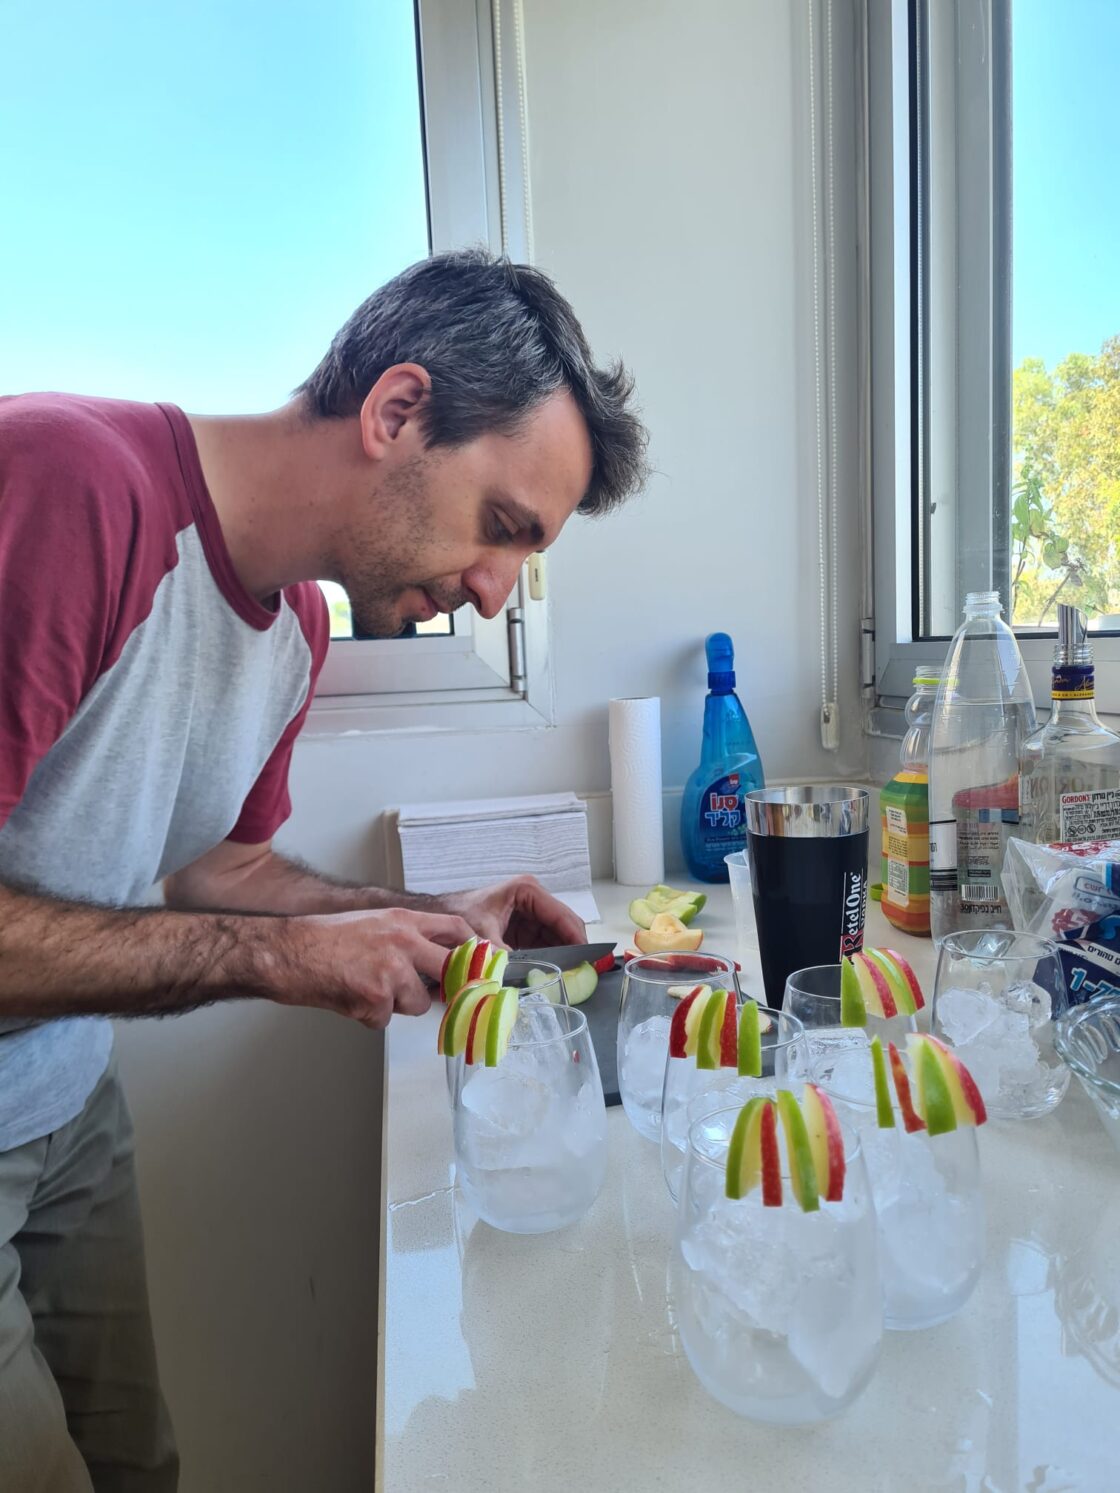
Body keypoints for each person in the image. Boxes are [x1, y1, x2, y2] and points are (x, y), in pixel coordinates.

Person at [0, 249, 648, 1491]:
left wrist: (414, 912)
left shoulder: (293, 629)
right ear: (396, 412)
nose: (493, 592)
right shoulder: (70, 485)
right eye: (501, 528)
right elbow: (247, 929)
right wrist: (273, 958)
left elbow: (219, 864)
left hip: (68, 1101)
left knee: (141, 1467)